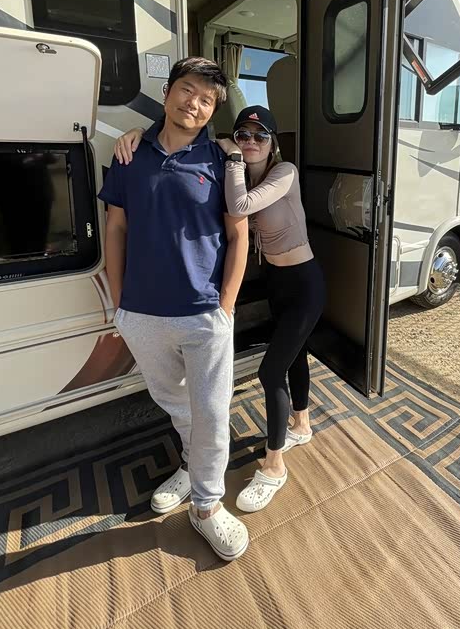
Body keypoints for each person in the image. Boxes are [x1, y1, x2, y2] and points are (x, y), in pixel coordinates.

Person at [114, 104, 325, 514]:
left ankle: (275, 466)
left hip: (305, 283)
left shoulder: (285, 172)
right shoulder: (238, 171)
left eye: (260, 136)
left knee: (270, 371)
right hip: (276, 282)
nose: (251, 142)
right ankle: (302, 424)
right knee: (295, 355)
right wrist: (138, 131)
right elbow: (179, 138)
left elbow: (240, 207)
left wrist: (231, 156)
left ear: (273, 144)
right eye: (243, 134)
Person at [101, 57, 250, 561]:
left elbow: (239, 235)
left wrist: (226, 306)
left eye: (207, 100)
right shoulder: (130, 154)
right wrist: (119, 303)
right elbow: (116, 227)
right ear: (167, 93)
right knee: (172, 400)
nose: (195, 104)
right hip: (141, 313)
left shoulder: (222, 161)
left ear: (212, 111)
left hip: (203, 313)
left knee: (211, 412)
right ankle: (190, 465)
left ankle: (207, 505)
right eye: (187, 90)